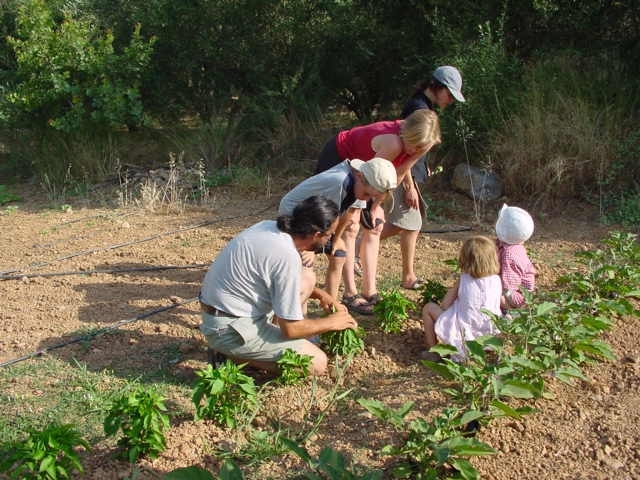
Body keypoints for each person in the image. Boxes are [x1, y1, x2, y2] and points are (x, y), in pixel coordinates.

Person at [199, 196, 357, 376]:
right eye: (329, 235)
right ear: (316, 235)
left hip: (221, 316)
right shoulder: (286, 255)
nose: (329, 241)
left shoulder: (269, 227)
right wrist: (331, 322)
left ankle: (248, 349)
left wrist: (320, 294)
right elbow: (291, 329)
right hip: (230, 330)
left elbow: (276, 281)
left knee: (305, 280)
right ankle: (232, 356)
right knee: (316, 363)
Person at [314, 109, 442, 309]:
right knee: (351, 225)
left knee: (375, 226)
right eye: (414, 146)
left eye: (421, 148)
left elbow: (397, 174)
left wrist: (375, 208)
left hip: (367, 171)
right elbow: (370, 179)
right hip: (342, 158)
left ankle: (370, 291)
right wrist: (368, 207)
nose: (415, 151)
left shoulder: (423, 142)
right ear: (407, 135)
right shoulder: (393, 143)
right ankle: (350, 293)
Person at [279, 158, 397, 315]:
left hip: (315, 222)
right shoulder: (339, 182)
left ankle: (330, 308)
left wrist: (336, 240)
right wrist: (310, 249)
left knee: (339, 254)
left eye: (371, 197)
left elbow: (348, 213)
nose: (367, 199)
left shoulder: (360, 186)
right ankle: (299, 316)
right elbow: (318, 216)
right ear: (360, 176)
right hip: (295, 217)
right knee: (305, 268)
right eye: (367, 194)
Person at [385, 65, 465, 290]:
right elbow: (404, 150)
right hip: (404, 175)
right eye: (449, 94)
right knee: (408, 222)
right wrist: (409, 185)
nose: (450, 100)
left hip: (410, 173)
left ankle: (365, 251)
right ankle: (364, 250)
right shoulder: (418, 108)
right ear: (438, 87)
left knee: (409, 222)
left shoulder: (423, 105)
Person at [421, 236, 502, 362]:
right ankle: (490, 353)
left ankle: (434, 351)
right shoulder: (497, 281)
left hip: (464, 334)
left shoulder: (464, 279)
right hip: (490, 333)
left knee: (428, 308)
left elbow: (445, 305)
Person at [495, 204, 536, 310]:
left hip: (517, 297)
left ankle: (508, 313)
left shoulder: (509, 255)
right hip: (510, 287)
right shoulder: (511, 245)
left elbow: (508, 287)